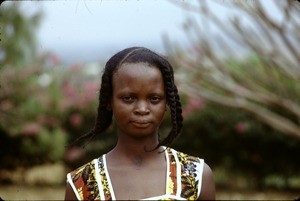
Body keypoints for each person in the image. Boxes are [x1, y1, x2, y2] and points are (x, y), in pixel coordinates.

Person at [64, 47, 215, 200]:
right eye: (129, 98)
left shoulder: (196, 176)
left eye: (154, 98)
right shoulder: (81, 185)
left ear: (167, 102)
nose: (142, 109)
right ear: (109, 101)